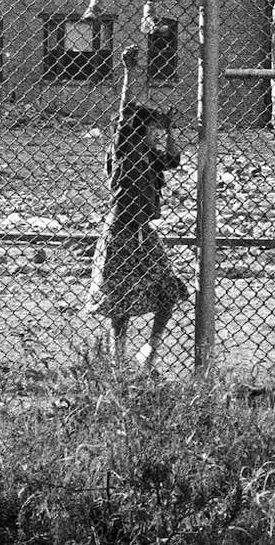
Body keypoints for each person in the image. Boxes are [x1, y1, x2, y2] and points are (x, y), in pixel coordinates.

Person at [87, 44, 186, 370]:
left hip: (141, 232)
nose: (158, 135)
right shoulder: (126, 150)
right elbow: (128, 111)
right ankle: (118, 360)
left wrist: (167, 130)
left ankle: (148, 353)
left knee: (168, 291)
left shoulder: (151, 155)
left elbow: (173, 158)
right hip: (120, 233)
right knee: (120, 302)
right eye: (154, 130)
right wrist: (130, 71)